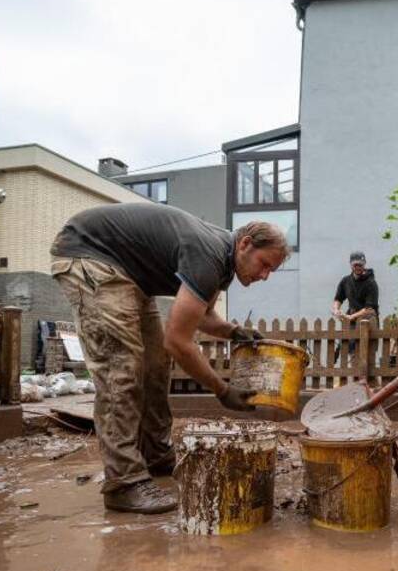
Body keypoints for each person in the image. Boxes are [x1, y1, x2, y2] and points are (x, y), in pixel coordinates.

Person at [50, 203, 289, 514]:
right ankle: (124, 483)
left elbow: (203, 318)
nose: (265, 275)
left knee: (155, 364)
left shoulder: (224, 262)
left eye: (272, 270)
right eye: (264, 264)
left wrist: (233, 331)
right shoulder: (209, 255)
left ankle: (156, 456)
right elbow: (178, 341)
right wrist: (222, 390)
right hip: (92, 256)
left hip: (130, 275)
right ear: (245, 244)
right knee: (120, 369)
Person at [332, 252, 379, 357]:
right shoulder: (346, 281)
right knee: (350, 350)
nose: (358, 267)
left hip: (368, 319)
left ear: (364, 264)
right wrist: (336, 310)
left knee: (366, 353)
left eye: (360, 265)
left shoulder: (371, 283)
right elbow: (338, 298)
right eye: (355, 265)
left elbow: (369, 308)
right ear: (350, 265)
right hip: (352, 320)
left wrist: (351, 317)